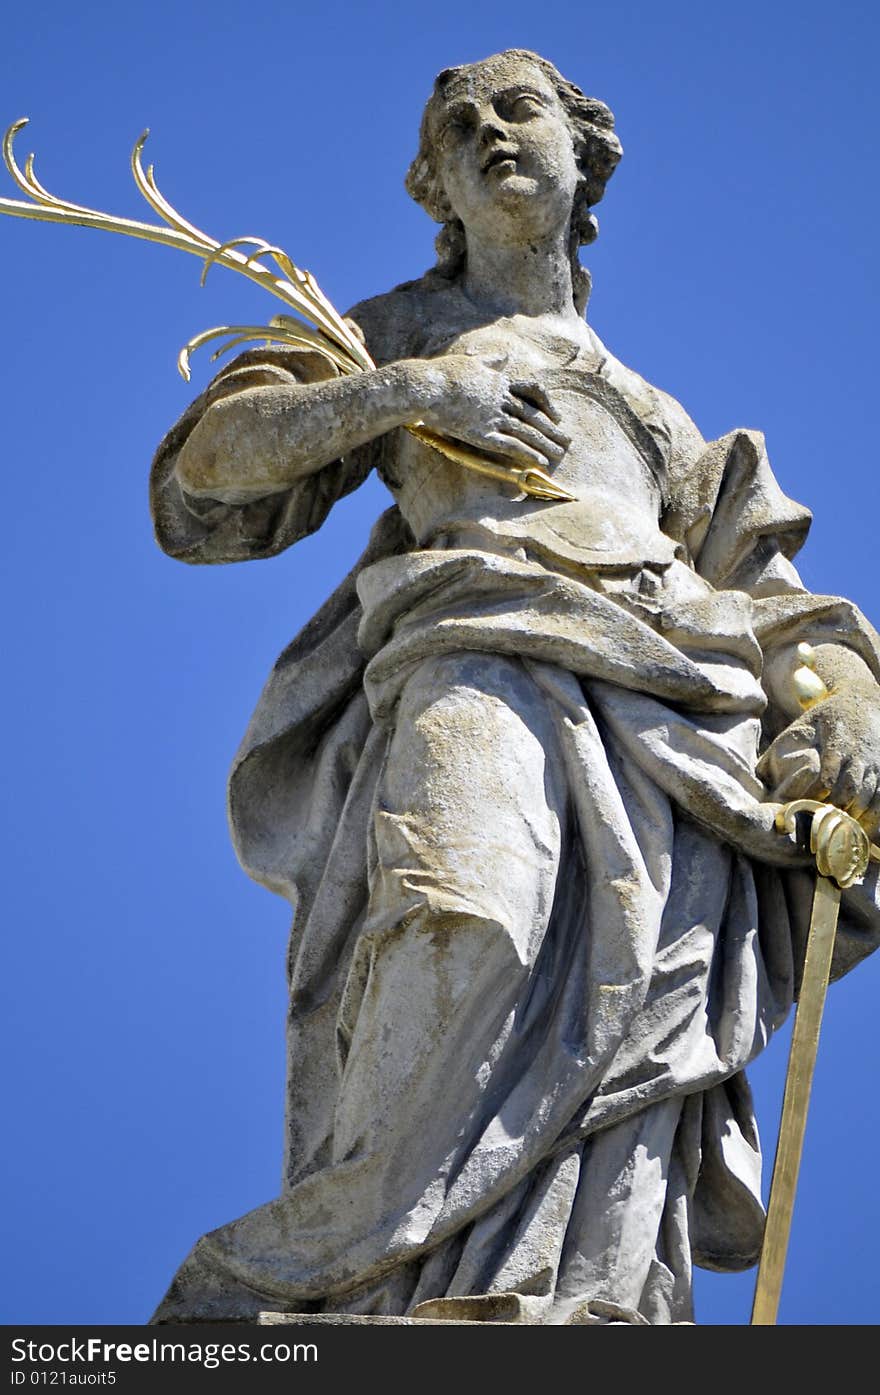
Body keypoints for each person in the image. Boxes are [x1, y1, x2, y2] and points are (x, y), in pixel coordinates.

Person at [150, 49, 880, 1325]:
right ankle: (331, 1280)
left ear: (582, 151)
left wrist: (849, 710)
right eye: (457, 123)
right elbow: (206, 478)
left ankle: (572, 1299)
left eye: (517, 105)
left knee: (626, 1020)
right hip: (474, 652)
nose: (490, 128)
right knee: (460, 919)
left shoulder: (662, 418)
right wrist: (412, 396)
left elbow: (779, 612)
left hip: (667, 726)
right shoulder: (396, 331)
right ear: (432, 182)